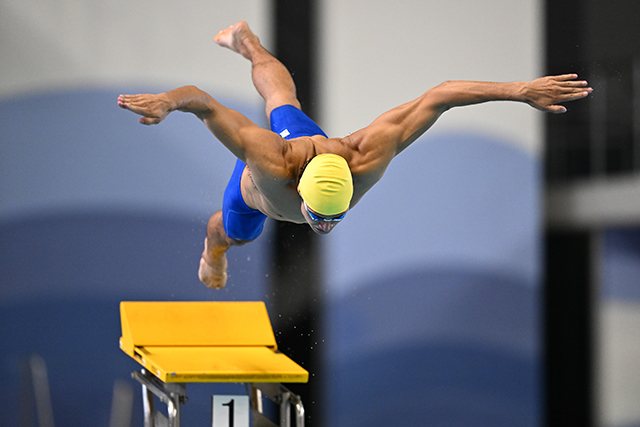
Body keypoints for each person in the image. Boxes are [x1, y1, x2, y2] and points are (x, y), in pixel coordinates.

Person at [118, 21, 593, 289]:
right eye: (320, 219)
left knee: (287, 104)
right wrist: (167, 101)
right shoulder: (268, 157)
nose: (323, 229)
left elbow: (441, 95)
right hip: (254, 192)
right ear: (298, 189)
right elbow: (202, 100)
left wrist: (519, 89)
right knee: (230, 231)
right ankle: (214, 249)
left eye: (333, 219)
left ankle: (249, 42)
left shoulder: (365, 155)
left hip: (311, 150)